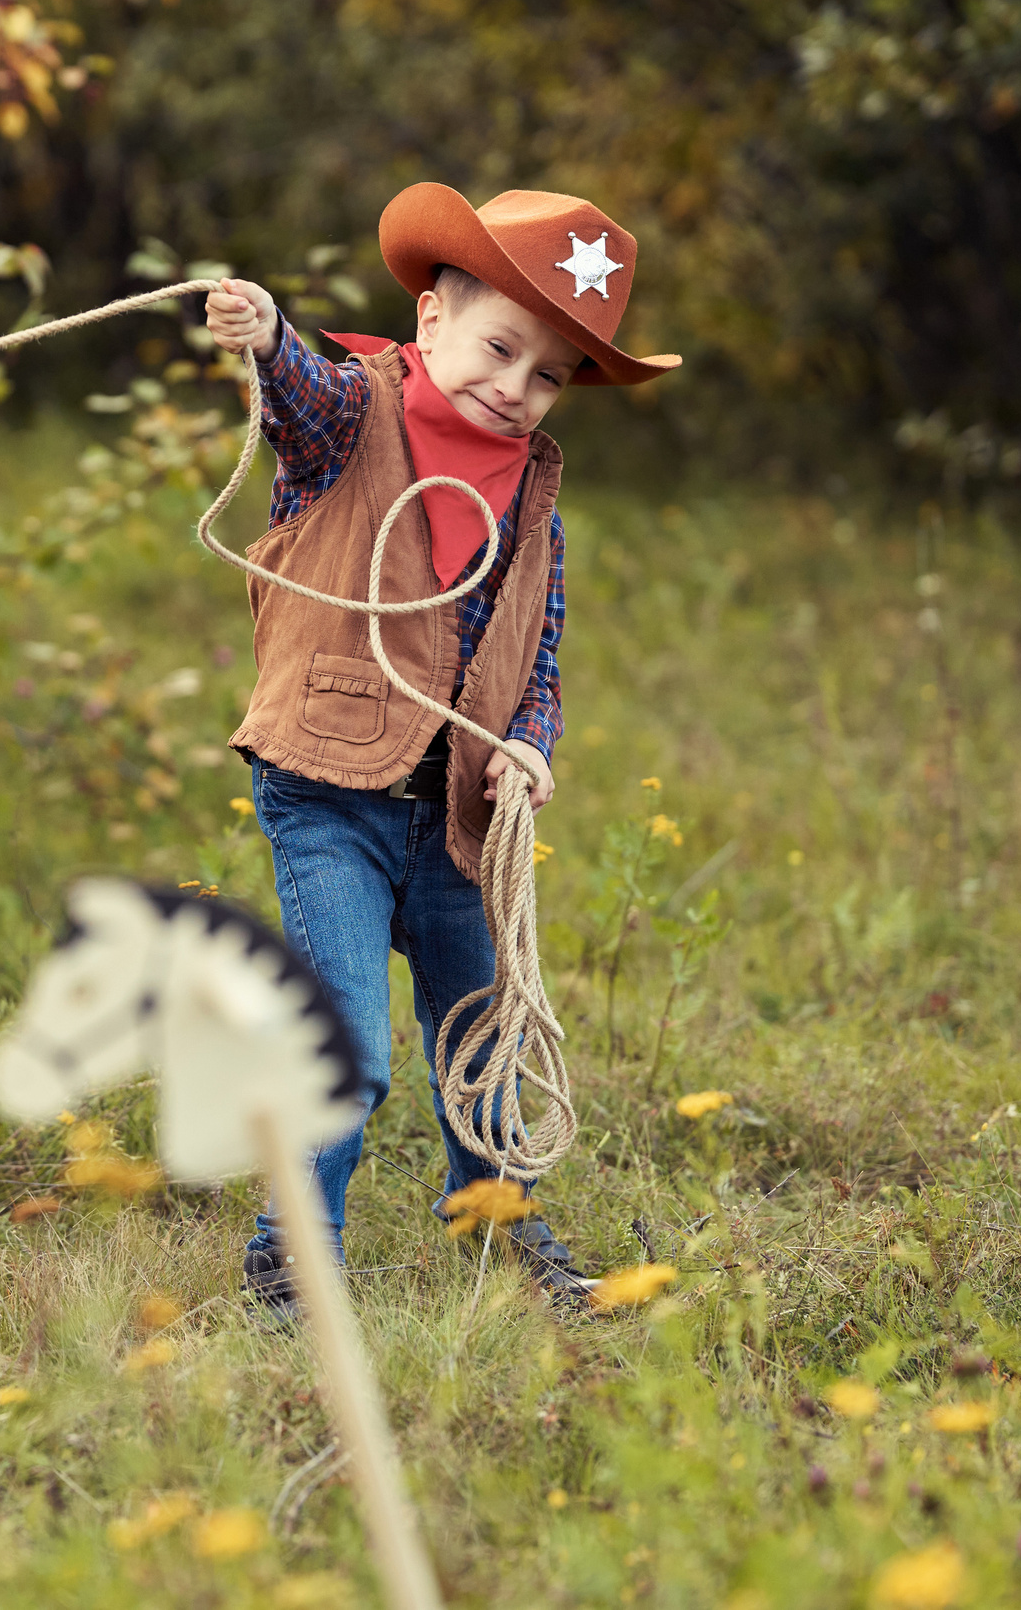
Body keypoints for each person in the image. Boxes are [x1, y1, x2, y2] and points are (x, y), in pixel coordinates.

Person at [204, 183, 679, 1314]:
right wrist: (269, 338)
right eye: (498, 348)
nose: (514, 388)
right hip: (331, 795)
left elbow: (537, 660)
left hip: (458, 817)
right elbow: (300, 400)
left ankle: (498, 1227)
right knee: (349, 1053)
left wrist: (528, 746)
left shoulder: (536, 504)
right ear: (429, 321)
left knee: (487, 1046)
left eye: (549, 374)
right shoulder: (349, 420)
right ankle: (293, 1258)